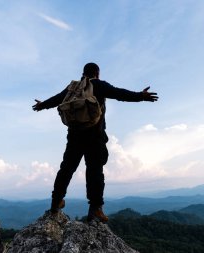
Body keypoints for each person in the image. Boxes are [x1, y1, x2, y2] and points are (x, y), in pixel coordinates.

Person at [32, 62, 158, 222]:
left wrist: (42, 105)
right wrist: (141, 96)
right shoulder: (99, 85)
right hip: (95, 136)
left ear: (83, 73)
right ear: (97, 73)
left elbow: (57, 99)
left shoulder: (73, 88)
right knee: (95, 171)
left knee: (66, 169)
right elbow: (119, 94)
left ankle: (56, 202)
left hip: (75, 136)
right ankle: (96, 208)